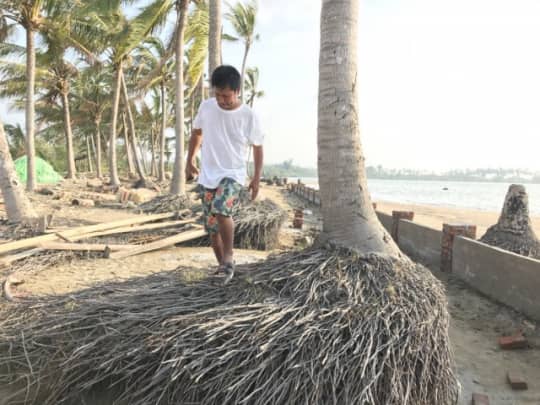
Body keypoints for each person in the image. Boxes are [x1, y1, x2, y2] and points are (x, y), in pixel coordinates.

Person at [185, 65, 264, 284]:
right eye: (218, 95)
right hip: (208, 175)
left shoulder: (248, 116)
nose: (221, 100)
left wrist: (256, 178)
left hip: (233, 174)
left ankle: (229, 257)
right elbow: (197, 133)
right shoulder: (207, 107)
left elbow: (257, 147)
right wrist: (189, 160)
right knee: (211, 228)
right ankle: (223, 268)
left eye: (226, 96)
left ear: (237, 91)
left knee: (221, 209)